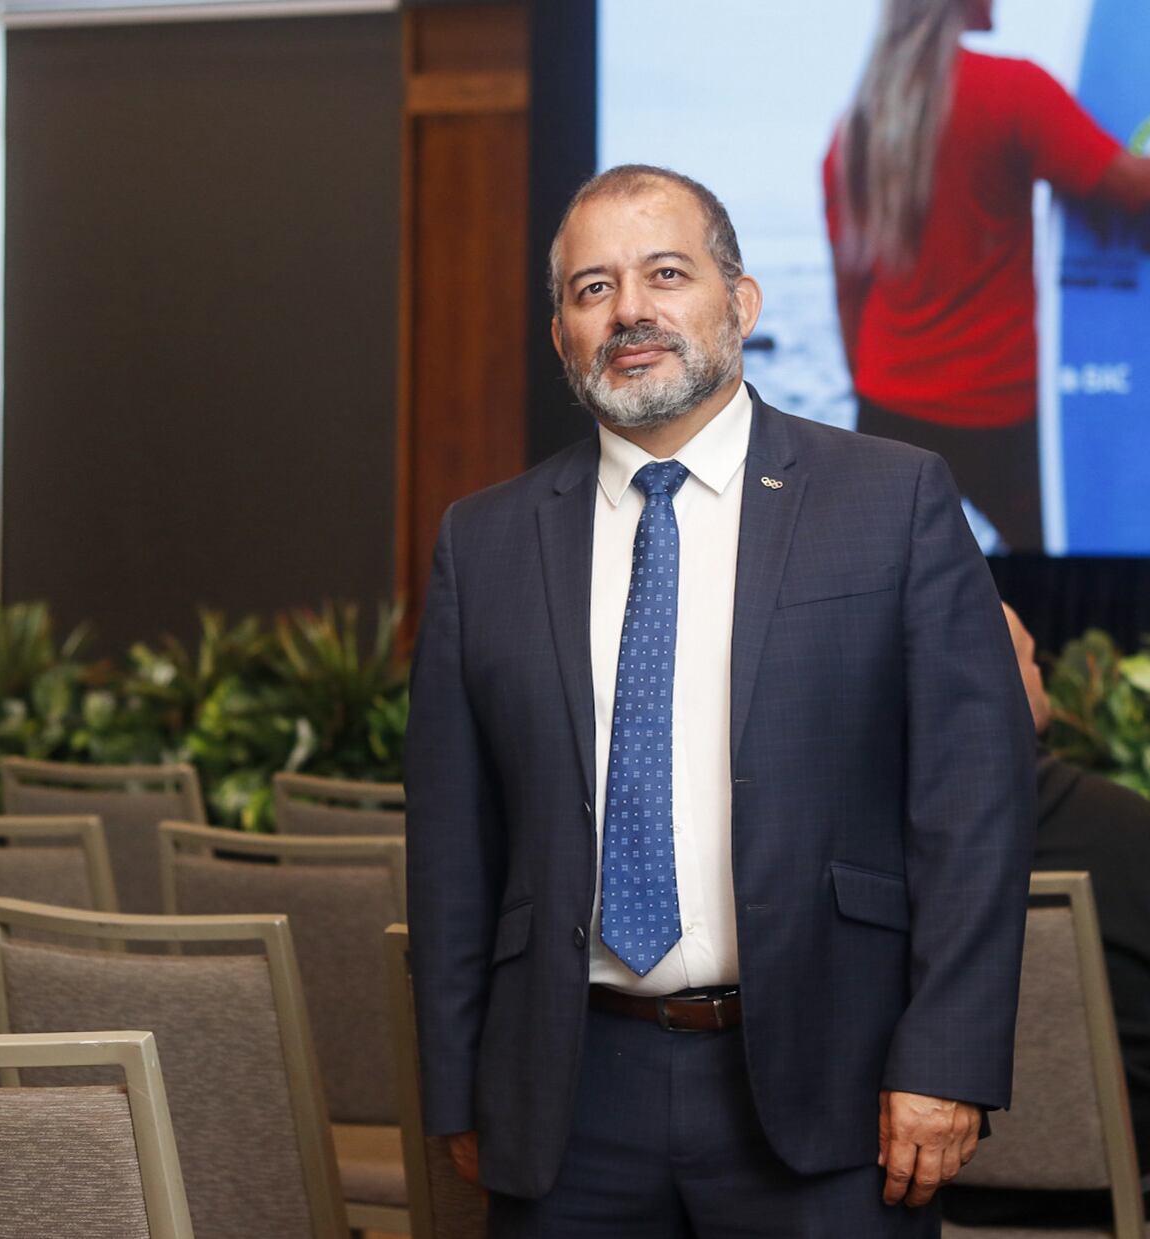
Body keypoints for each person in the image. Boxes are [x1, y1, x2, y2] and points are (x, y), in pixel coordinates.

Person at [404, 164, 1036, 1238]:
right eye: (590, 288)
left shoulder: (892, 501)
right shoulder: (485, 540)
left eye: (664, 274)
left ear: (738, 304)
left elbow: (973, 808)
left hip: (832, 1086)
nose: (630, 310)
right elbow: (455, 843)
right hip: (565, 1094)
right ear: (560, 331)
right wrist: (459, 1083)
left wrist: (946, 1060)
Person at [823, 0, 1150, 551]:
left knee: (888, 597)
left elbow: (849, 291)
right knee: (1050, 578)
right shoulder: (1011, 91)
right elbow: (1135, 188)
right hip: (994, 410)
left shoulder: (854, 129)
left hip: (887, 407)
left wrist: (872, 387)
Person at [942, 605, 1150, 1227]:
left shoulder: (872, 842)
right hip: (1143, 1177)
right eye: (1032, 658)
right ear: (1006, 679)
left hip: (949, 1178)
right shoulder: (1125, 826)